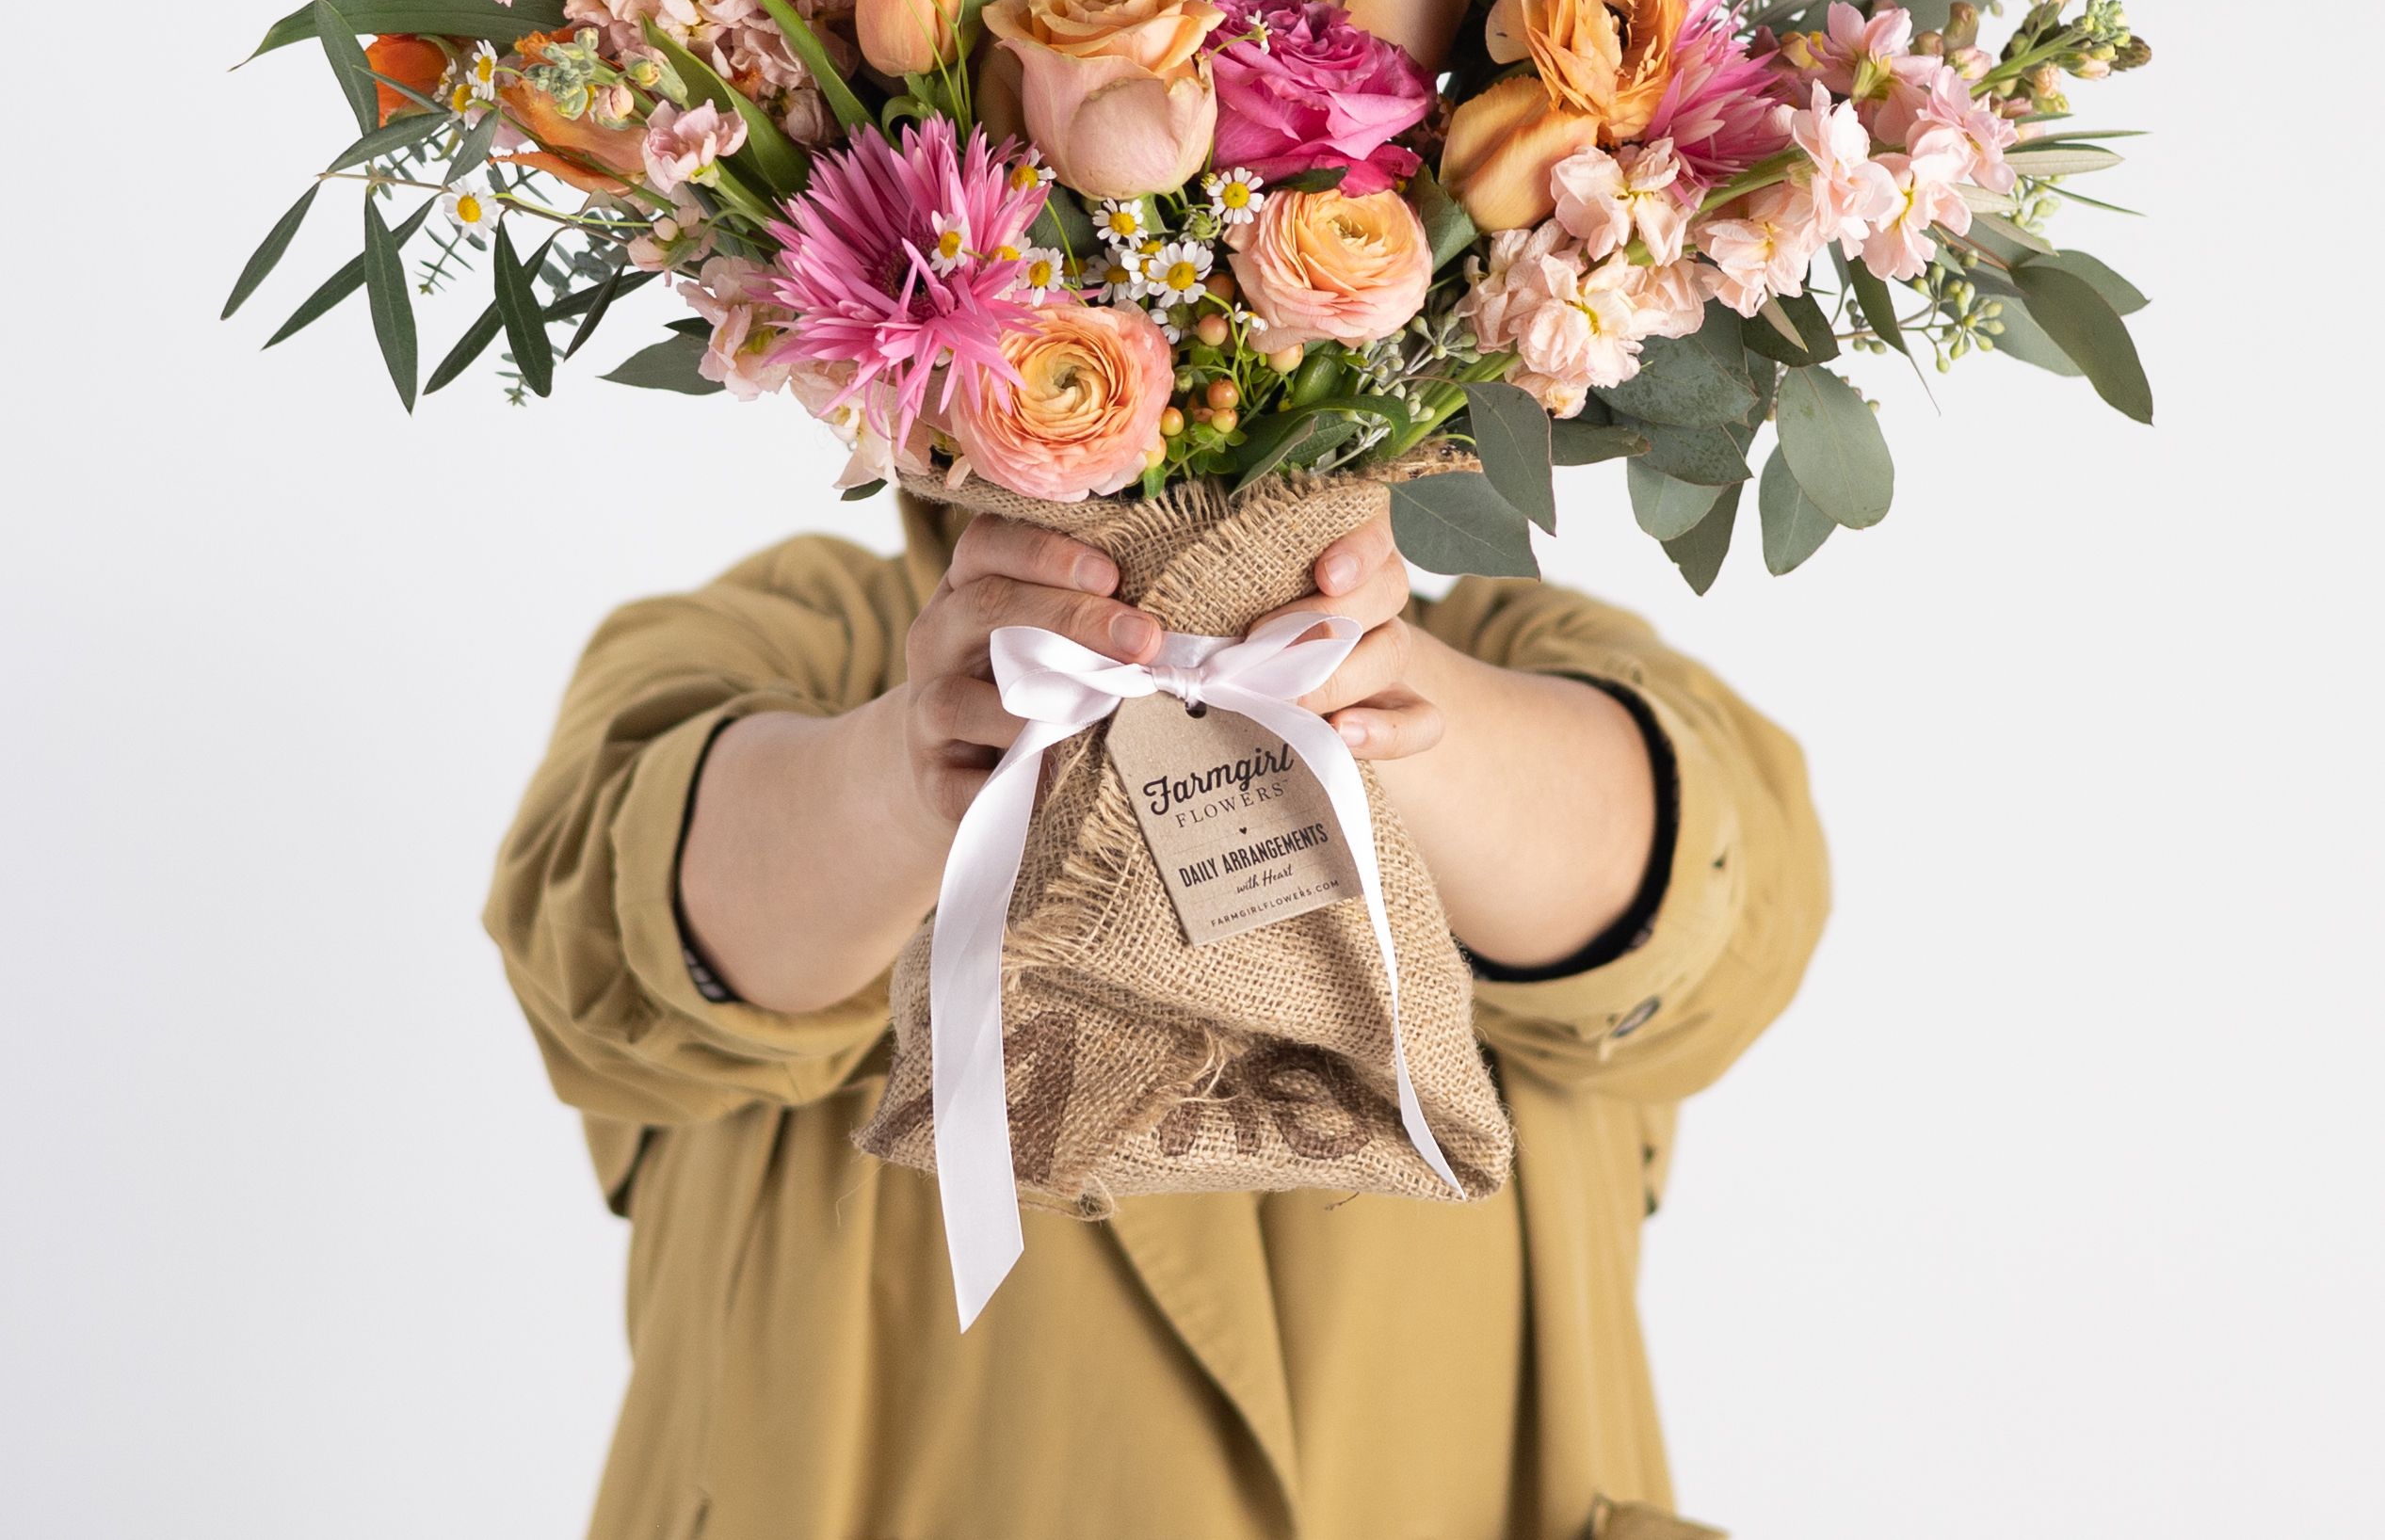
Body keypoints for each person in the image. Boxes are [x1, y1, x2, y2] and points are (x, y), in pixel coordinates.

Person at [488, 491, 1829, 1540]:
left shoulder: (1508, 652)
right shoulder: (807, 633)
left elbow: (1723, 914)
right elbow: (605, 941)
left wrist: (1370, 702)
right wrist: (915, 767)